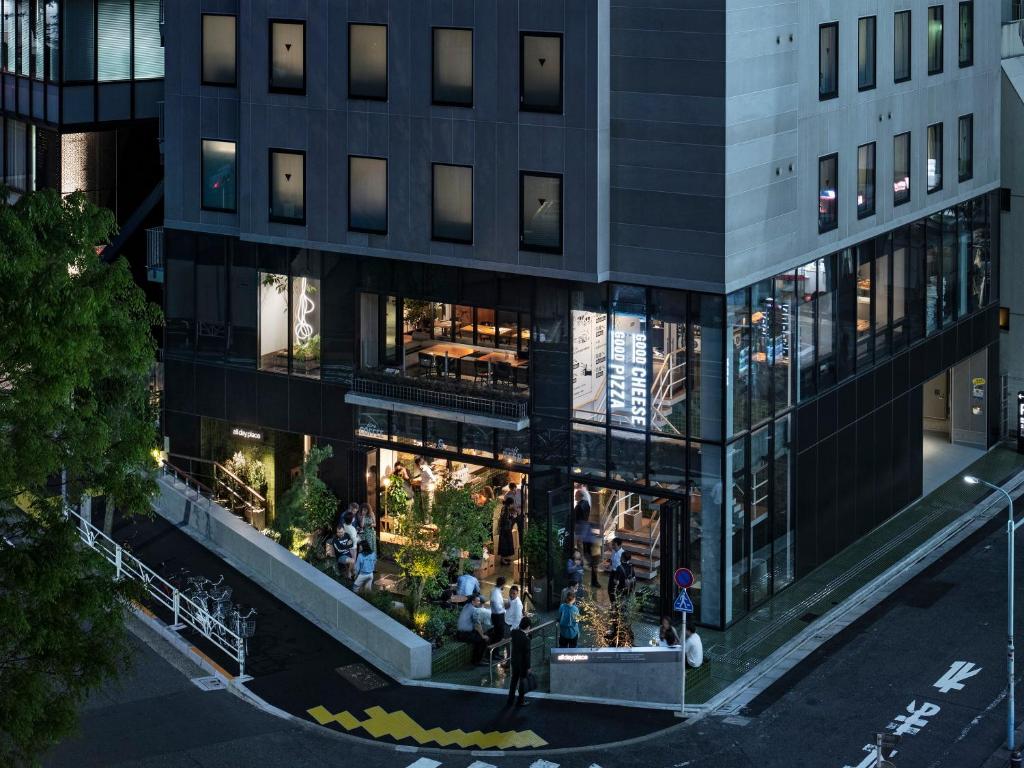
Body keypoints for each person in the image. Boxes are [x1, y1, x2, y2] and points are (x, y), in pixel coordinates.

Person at [506, 615, 533, 707]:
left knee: (514, 681)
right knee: (522, 682)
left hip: (514, 661)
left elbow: (517, 631)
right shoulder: (526, 640)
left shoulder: (514, 633)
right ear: (528, 626)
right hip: (522, 664)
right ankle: (521, 700)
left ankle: (510, 699)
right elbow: (527, 655)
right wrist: (528, 667)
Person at [456, 595, 489, 665]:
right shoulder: (474, 610)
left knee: (480, 636)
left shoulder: (467, 606)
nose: (479, 603)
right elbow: (477, 625)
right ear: (473, 601)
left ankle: (479, 658)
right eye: (478, 601)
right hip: (464, 634)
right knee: (482, 640)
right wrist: (483, 636)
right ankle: (477, 661)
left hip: (459, 633)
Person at [334, 512, 358, 579]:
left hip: (345, 546)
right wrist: (358, 538)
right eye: (353, 518)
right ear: (352, 519)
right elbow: (354, 539)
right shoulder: (352, 528)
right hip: (353, 547)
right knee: (353, 560)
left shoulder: (343, 526)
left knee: (349, 561)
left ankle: (350, 573)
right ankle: (351, 574)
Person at [489, 577, 509, 644]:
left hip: (496, 615)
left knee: (497, 634)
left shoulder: (495, 590)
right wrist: (505, 607)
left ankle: (495, 651)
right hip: (498, 617)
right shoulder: (496, 593)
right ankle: (495, 652)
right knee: (499, 635)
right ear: (503, 584)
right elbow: (497, 607)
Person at [497, 498, 516, 565]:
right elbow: (505, 520)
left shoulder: (505, 508)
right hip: (505, 529)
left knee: (506, 544)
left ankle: (504, 558)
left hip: (505, 529)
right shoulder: (506, 509)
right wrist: (512, 517)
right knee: (504, 544)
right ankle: (502, 560)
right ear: (510, 503)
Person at [607, 538, 624, 603]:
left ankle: (617, 604)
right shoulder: (614, 551)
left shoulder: (623, 553)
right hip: (613, 572)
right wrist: (609, 565)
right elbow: (612, 559)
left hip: (619, 574)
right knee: (610, 589)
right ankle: (613, 603)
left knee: (616, 590)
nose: (613, 546)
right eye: (612, 544)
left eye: (614, 545)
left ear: (619, 545)